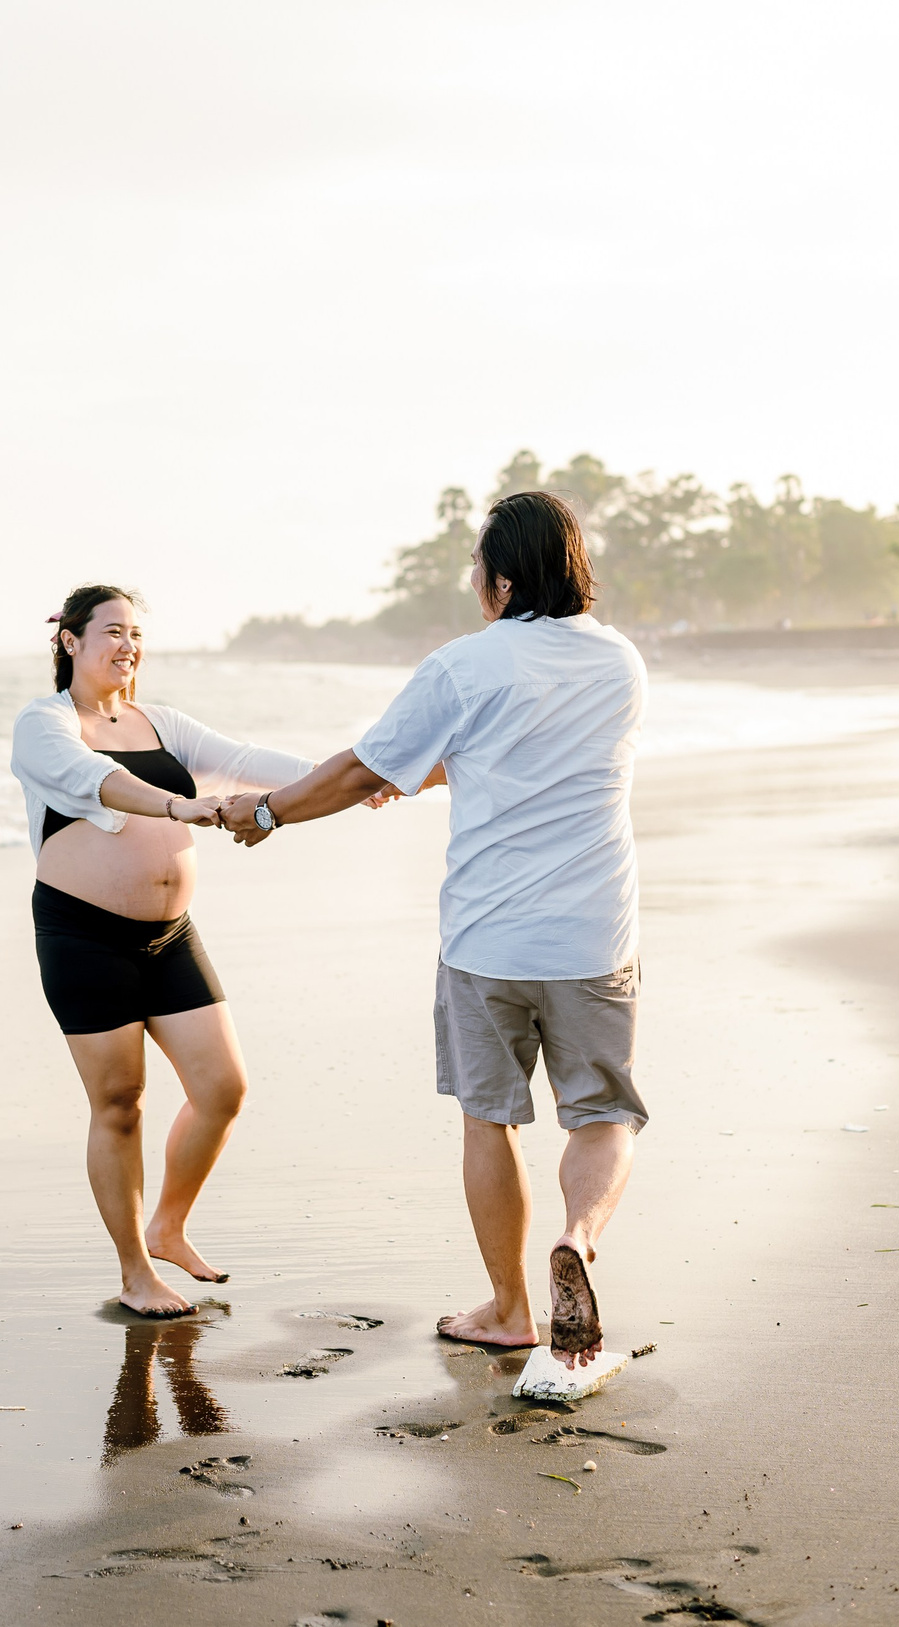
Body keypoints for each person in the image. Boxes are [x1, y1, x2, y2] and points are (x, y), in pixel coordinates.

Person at [216, 491, 646, 1367]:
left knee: (490, 1120)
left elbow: (357, 770)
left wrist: (266, 810)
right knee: (602, 1114)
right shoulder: (620, 662)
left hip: (488, 941)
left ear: (502, 580)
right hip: (593, 936)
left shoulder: (464, 665)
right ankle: (578, 1238)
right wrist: (413, 771)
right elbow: (519, 754)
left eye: (478, 571)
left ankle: (510, 1309)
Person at [11, 585, 316, 1319]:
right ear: (70, 641)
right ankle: (135, 1271)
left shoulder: (162, 722)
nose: (128, 646)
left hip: (171, 935)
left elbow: (242, 759)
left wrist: (344, 777)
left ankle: (168, 1226)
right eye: (113, 631)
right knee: (119, 1104)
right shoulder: (45, 724)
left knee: (223, 1089)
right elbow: (99, 781)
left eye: (136, 634)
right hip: (84, 934)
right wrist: (181, 805)